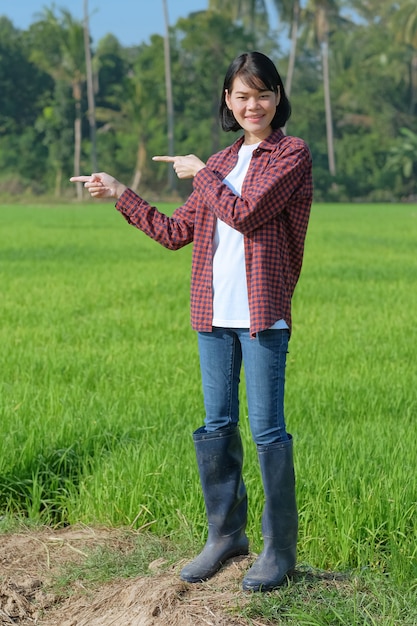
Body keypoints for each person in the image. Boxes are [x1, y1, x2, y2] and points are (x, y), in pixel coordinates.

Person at [71, 51, 313, 592]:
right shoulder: (221, 163)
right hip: (212, 316)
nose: (254, 105)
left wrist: (201, 173)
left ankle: (279, 551)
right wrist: (120, 193)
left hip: (261, 316)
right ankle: (226, 535)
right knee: (216, 424)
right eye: (242, 95)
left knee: (267, 429)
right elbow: (175, 232)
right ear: (228, 101)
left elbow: (247, 212)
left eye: (264, 93)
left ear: (278, 97)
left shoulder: (290, 155)